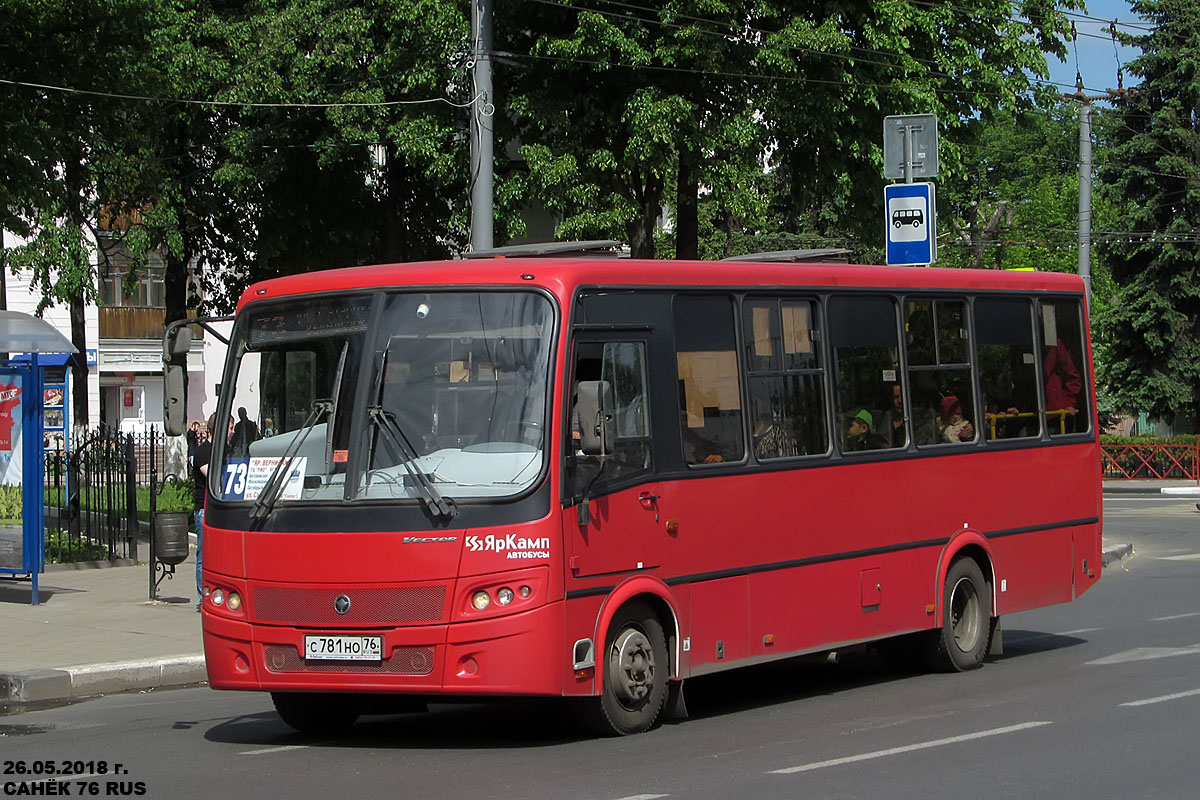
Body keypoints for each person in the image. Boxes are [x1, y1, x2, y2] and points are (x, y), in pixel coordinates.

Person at [193, 413, 234, 611]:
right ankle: (204, 599)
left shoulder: (229, 451)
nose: (232, 432)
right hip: (205, 510)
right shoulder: (204, 452)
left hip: (226, 509)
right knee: (204, 556)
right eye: (230, 427)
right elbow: (216, 479)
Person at [1043, 337, 1082, 432]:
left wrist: (1069, 403)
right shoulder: (1022, 346)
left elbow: (1072, 376)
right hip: (1030, 416)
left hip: (1055, 416)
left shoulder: (1054, 345)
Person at [878, 383, 907, 448]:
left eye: (902, 397)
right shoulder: (884, 421)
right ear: (891, 400)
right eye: (896, 397)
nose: (900, 401)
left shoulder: (915, 421)